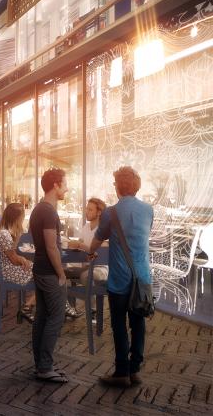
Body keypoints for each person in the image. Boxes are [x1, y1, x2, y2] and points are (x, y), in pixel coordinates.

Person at [88, 166, 154, 389]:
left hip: (120, 280)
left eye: (115, 183)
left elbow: (97, 240)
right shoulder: (148, 210)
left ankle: (121, 371)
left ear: (118, 186)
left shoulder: (110, 213)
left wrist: (91, 250)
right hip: (142, 278)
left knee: (119, 325)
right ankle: (135, 370)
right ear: (136, 185)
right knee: (138, 324)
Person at [28, 168, 70, 382]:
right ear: (55, 184)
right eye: (64, 183)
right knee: (55, 318)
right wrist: (61, 274)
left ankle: (41, 365)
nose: (67, 188)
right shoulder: (48, 211)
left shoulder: (39, 209)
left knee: (43, 318)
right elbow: (51, 247)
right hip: (49, 272)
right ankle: (45, 367)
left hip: (40, 269)